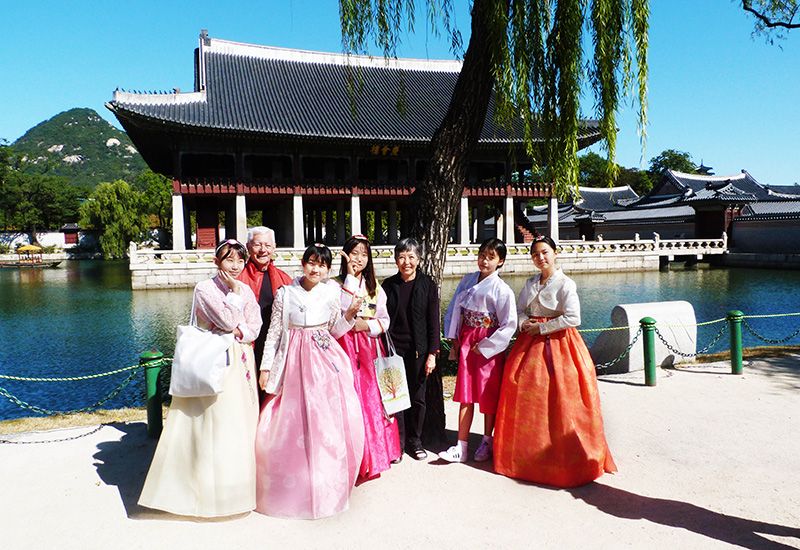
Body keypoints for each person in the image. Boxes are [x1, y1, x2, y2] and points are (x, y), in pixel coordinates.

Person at [139, 239, 262, 517]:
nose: (235, 265)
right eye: (229, 259)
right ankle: (206, 489)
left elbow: (255, 323)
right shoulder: (205, 288)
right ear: (216, 261)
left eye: (240, 261)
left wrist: (242, 330)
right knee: (216, 421)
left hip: (241, 355)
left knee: (241, 420)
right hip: (216, 357)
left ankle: (239, 486)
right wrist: (233, 299)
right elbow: (228, 320)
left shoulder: (245, 289)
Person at [494, 235, 617, 487]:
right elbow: (518, 310)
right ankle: (525, 455)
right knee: (526, 395)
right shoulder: (530, 283)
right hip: (528, 343)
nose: (540, 258)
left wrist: (542, 328)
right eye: (536, 254)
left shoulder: (565, 284)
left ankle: (564, 455)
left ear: (555, 253)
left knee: (562, 396)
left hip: (560, 343)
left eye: (545, 252)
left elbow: (573, 318)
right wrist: (523, 323)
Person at [255, 243, 365, 519]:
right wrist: (266, 367)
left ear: (328, 269)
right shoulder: (286, 293)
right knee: (290, 420)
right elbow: (275, 333)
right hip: (292, 357)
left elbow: (335, 330)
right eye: (311, 263)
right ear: (303, 263)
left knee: (323, 419)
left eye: (322, 265)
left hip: (323, 358)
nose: (316, 269)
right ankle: (291, 479)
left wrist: (350, 314)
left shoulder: (331, 292)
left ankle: (324, 478)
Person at [329, 235, 401, 479]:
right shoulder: (334, 285)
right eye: (354, 253)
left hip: (369, 349)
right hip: (343, 347)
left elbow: (385, 319)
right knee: (349, 398)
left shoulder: (375, 287)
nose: (359, 259)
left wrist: (367, 327)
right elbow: (339, 311)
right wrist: (349, 277)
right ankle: (352, 456)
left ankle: (377, 453)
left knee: (372, 399)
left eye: (363, 254)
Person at [439, 237, 517, 463]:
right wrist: (453, 336)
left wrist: (485, 346)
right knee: (466, 394)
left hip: (487, 341)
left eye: (491, 257)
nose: (484, 261)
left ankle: (486, 441)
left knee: (487, 393)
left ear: (500, 261)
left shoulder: (502, 290)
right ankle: (461, 446)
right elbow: (454, 309)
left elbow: (509, 324)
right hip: (466, 338)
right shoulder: (467, 280)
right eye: (482, 255)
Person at [382, 237, 440, 460]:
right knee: (396, 399)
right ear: (396, 260)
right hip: (393, 351)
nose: (406, 261)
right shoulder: (388, 286)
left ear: (418, 259)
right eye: (402, 257)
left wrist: (432, 354)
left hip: (419, 351)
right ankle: (398, 443)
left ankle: (415, 441)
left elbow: (434, 323)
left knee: (418, 398)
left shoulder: (427, 285)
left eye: (411, 256)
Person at [237, 226, 292, 373]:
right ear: (248, 247)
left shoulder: (284, 279)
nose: (263, 250)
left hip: (274, 346)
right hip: (246, 345)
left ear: (274, 248)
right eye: (257, 245)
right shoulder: (237, 278)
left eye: (267, 245)